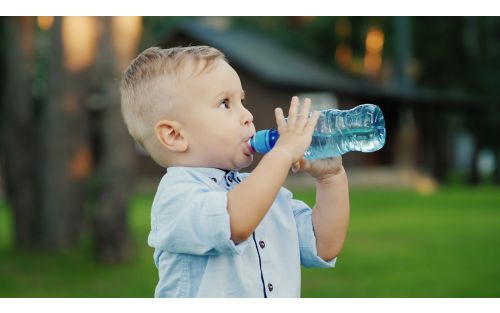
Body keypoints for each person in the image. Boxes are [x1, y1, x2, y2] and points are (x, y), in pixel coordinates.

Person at [120, 46, 350, 297]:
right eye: (224, 104)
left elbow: (324, 244)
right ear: (175, 135)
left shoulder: (265, 193)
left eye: (242, 101)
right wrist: (282, 154)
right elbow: (234, 223)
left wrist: (331, 178)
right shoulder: (176, 198)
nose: (248, 116)